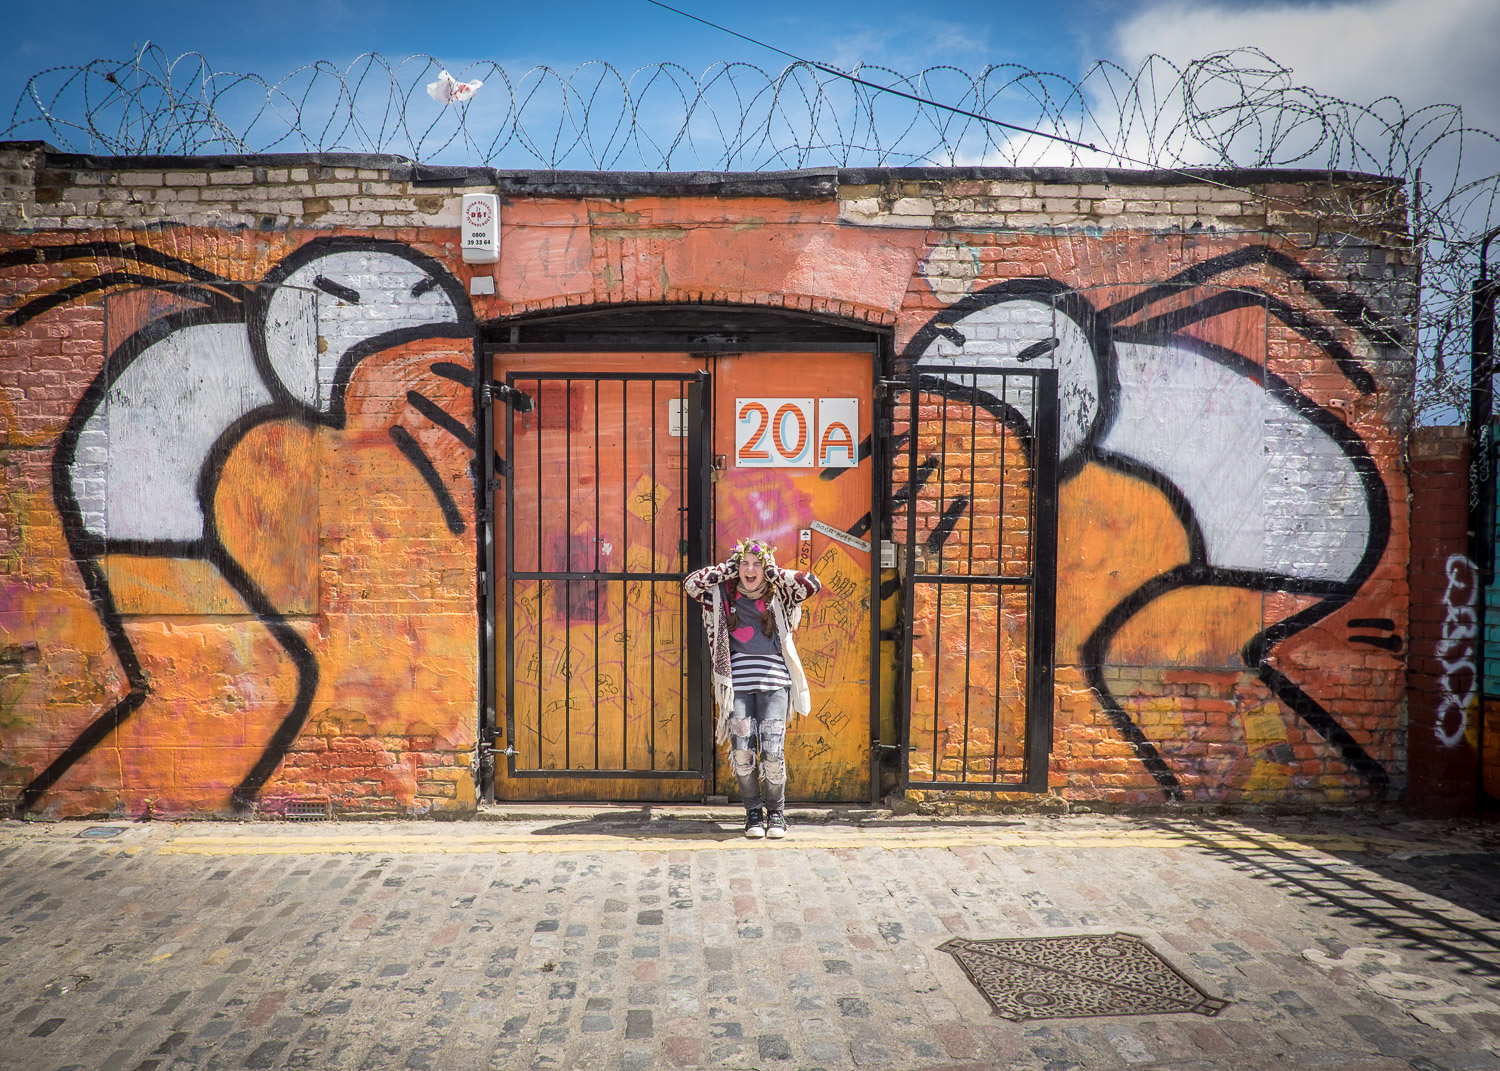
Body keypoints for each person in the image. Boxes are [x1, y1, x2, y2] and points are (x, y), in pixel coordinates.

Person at [684, 538, 821, 839]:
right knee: (743, 754)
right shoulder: (721, 595)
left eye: (756, 564)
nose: (750, 569)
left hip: (774, 685)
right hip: (737, 688)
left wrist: (773, 571)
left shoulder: (780, 595)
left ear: (765, 568)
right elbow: (691, 584)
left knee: (772, 752)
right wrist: (728, 568)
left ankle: (776, 814)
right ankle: (753, 814)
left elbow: (811, 584)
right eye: (744, 563)